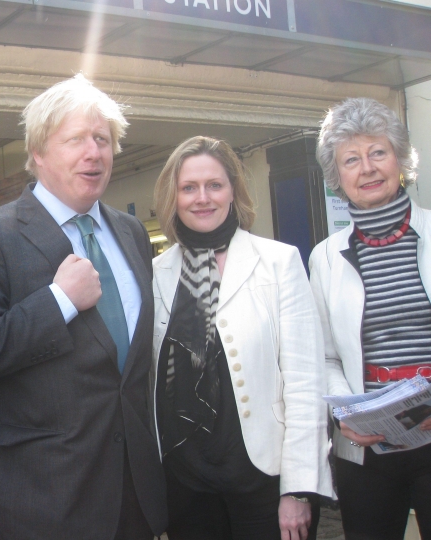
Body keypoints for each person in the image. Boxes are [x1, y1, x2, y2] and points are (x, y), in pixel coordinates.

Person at [0, 74, 168, 540]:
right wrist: (59, 300)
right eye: (76, 140)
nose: (94, 152)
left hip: (134, 497)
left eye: (102, 140)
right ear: (38, 153)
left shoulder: (132, 233)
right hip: (43, 502)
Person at [152, 136, 332, 540]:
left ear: (233, 190)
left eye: (214, 185)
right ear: (173, 197)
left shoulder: (278, 262)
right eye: (189, 188)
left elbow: (306, 382)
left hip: (263, 477)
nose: (203, 198)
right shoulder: (156, 273)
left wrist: (299, 490)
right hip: (185, 482)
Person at [310, 97, 431, 539]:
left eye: (378, 152)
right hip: (365, 447)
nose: (367, 168)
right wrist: (349, 414)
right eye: (352, 159)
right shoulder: (325, 257)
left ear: (400, 159)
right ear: (337, 176)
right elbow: (324, 357)